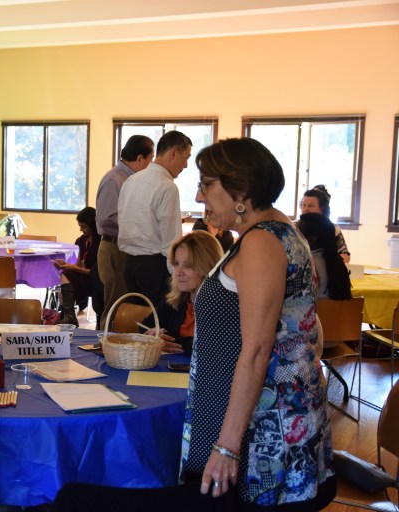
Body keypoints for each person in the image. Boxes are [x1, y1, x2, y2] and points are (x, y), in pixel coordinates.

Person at [55, 138, 334, 511]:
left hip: (265, 433)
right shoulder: (272, 233)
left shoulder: (263, 243)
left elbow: (256, 350)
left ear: (241, 190)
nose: (200, 197)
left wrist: (226, 448)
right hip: (267, 420)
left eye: (206, 185)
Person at [118, 130, 192, 306]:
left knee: (138, 323)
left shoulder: (131, 180)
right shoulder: (167, 187)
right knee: (158, 326)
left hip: (129, 265)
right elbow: (171, 241)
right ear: (174, 153)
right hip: (154, 267)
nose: (186, 165)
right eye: (186, 157)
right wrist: (178, 279)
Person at [95, 135, 155, 327]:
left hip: (122, 246)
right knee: (115, 304)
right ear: (140, 159)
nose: (150, 166)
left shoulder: (129, 179)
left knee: (124, 301)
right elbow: (106, 217)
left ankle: (119, 347)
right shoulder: (115, 179)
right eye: (150, 160)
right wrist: (140, 223)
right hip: (114, 246)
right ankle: (106, 346)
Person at [140, 230, 223, 356]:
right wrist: (154, 336)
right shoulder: (176, 300)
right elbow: (144, 326)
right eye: (176, 264)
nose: (179, 272)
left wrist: (170, 341)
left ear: (208, 267)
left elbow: (208, 347)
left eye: (188, 266)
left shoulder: (222, 306)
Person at [52, 206, 103, 327]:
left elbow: (93, 272)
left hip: (96, 279)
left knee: (67, 276)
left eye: (84, 226)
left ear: (92, 225)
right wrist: (66, 265)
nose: (81, 229)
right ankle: (69, 316)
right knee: (65, 278)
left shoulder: (100, 243)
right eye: (80, 226)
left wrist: (69, 267)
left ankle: (69, 317)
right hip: (85, 277)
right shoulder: (81, 241)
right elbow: (79, 265)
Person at [297, 212, 352, 300]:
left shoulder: (307, 264)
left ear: (312, 239)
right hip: (338, 313)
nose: (294, 238)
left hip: (317, 312)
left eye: (297, 234)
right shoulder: (338, 263)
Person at [299, 185, 350, 263]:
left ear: (322, 208)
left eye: (310, 206)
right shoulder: (294, 227)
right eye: (303, 205)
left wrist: (325, 259)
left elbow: (345, 256)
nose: (305, 209)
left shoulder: (332, 228)